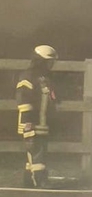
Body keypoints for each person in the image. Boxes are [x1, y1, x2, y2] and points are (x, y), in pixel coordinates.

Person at [16, 45, 58, 188]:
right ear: (40, 61)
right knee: (36, 151)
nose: (51, 64)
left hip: (42, 123)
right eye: (49, 61)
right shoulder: (28, 77)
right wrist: (28, 124)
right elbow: (23, 100)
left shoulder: (46, 78)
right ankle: (40, 181)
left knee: (37, 152)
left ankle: (29, 180)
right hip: (30, 123)